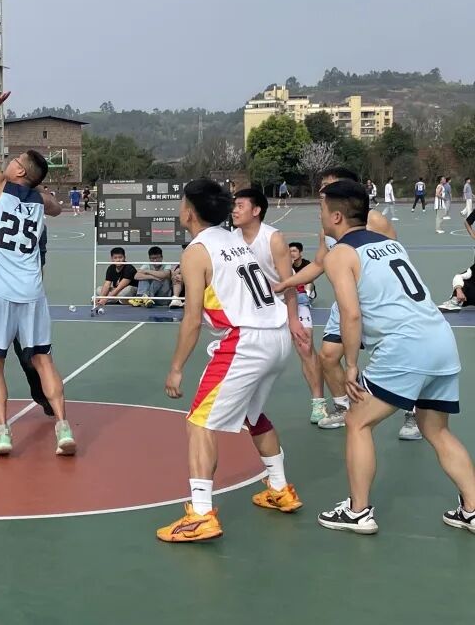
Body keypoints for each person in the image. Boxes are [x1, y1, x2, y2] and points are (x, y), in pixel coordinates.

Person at [316, 179, 475, 534]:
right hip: (440, 340)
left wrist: (351, 366)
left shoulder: (340, 254)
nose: (321, 216)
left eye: (322, 209)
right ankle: (473, 508)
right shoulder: (389, 244)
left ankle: (358, 511)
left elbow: (350, 314)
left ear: (337, 216)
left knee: (357, 421)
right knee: (436, 429)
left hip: (404, 347)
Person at [158, 179, 301, 543]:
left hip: (244, 341)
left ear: (189, 212)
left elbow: (192, 319)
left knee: (199, 423)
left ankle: (201, 515)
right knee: (254, 414)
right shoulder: (234, 240)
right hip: (276, 334)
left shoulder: (197, 252)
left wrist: (176, 368)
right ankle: (280, 489)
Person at [0, 91, 73, 456]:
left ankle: (2, 431)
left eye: (13, 160)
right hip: (32, 292)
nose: (7, 162)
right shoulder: (40, 201)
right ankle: (63, 427)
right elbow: (57, 208)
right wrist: (39, 188)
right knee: (44, 360)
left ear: (20, 171)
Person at [276, 167, 416, 437]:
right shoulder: (328, 228)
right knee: (328, 356)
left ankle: (413, 412)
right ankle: (344, 408)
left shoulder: (374, 221)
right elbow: (319, 263)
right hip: (346, 300)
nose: (321, 191)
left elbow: (393, 261)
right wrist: (287, 283)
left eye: (327, 185)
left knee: (399, 358)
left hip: (377, 302)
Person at [232, 188, 323, 423]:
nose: (234, 210)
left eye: (240, 206)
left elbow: (288, 283)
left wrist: (293, 320)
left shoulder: (273, 238)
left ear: (256, 210)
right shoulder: (232, 239)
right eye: (234, 205)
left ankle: (318, 403)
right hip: (256, 308)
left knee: (305, 347)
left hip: (288, 300)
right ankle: (245, 407)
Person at [0, 220, 52, 435]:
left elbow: (39, 263)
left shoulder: (37, 223)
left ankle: (41, 395)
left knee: (28, 357)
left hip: (24, 299)